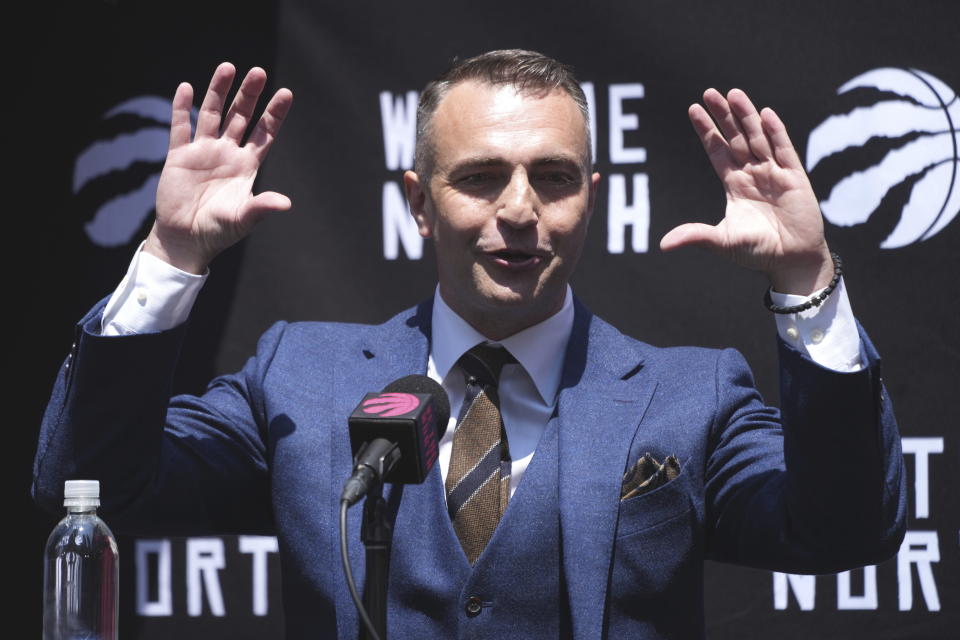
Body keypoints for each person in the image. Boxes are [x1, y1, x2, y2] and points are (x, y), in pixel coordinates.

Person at [33, 50, 906, 639]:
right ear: (419, 202)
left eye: (554, 179)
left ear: (590, 199)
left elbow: (845, 529)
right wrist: (171, 259)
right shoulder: (297, 374)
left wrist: (806, 283)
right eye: (481, 177)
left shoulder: (693, 394)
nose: (520, 211)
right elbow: (93, 483)